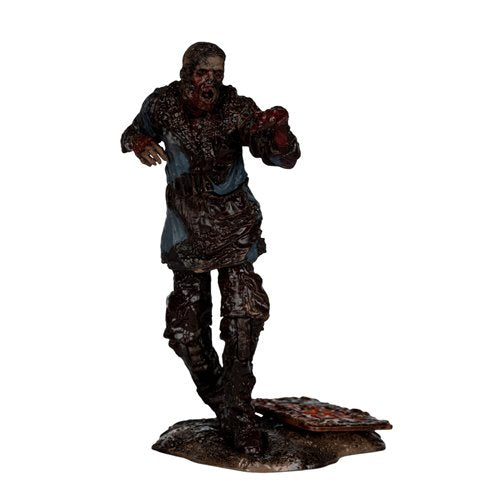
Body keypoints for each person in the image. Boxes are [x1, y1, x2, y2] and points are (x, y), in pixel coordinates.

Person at [121, 42, 300, 454]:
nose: (210, 82)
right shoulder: (163, 104)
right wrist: (140, 142)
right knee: (185, 330)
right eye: (203, 73)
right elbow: (132, 131)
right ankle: (225, 404)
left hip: (234, 224)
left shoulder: (236, 109)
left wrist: (278, 134)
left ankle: (239, 411)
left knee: (242, 315)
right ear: (186, 71)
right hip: (186, 228)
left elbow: (280, 155)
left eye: (217, 74)